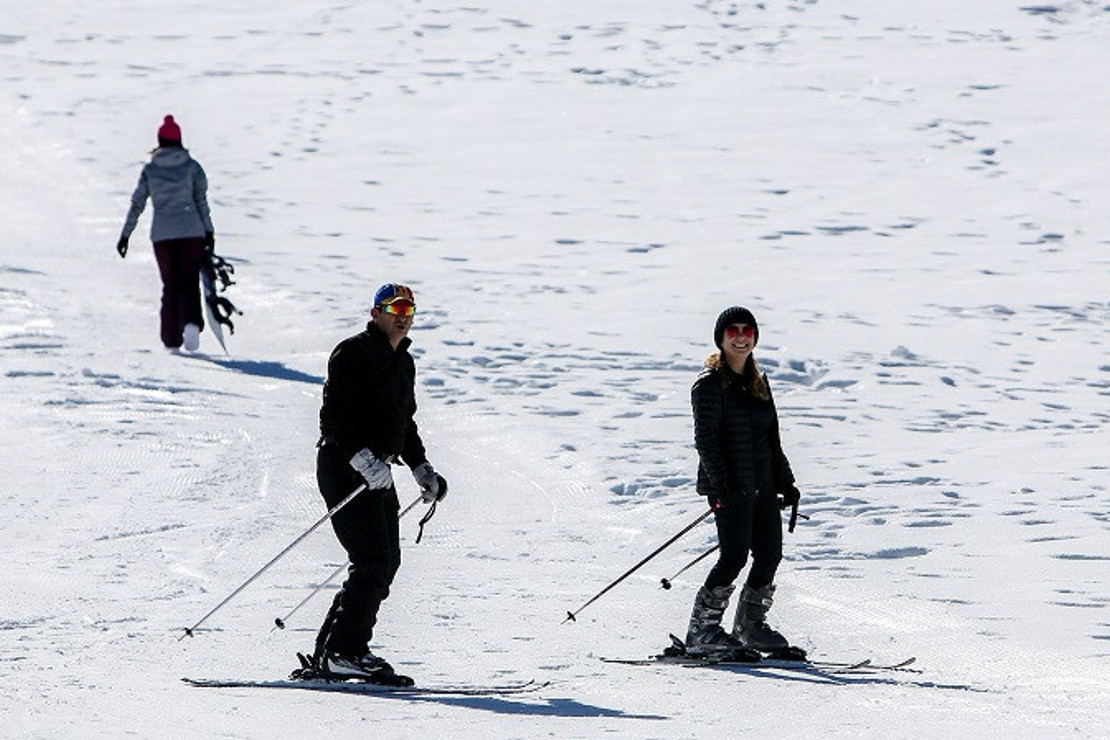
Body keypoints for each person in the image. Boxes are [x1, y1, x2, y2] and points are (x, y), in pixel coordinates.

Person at [311, 283, 448, 685]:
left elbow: (404, 423)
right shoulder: (352, 352)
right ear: (376, 313)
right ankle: (345, 652)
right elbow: (333, 414)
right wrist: (360, 457)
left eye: (409, 309)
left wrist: (421, 467)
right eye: (395, 308)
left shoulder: (403, 363)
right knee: (371, 558)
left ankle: (335, 649)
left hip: (379, 472)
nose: (403, 316)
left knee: (385, 561)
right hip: (344, 465)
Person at [684, 306, 802, 657]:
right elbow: (706, 441)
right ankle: (702, 630)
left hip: (763, 484)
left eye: (747, 330)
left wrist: (786, 482)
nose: (740, 336)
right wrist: (724, 487)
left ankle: (750, 626)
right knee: (733, 555)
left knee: (769, 554)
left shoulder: (759, 383)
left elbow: (772, 439)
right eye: (732, 330)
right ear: (720, 339)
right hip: (730, 488)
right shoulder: (708, 386)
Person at [117, 114, 214, 352]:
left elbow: (137, 203)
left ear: (159, 140)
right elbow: (201, 202)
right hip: (192, 232)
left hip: (163, 236)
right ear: (179, 140)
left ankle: (171, 339)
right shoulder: (192, 167)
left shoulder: (150, 170)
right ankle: (191, 325)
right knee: (190, 281)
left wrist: (125, 235)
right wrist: (209, 232)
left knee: (170, 285)